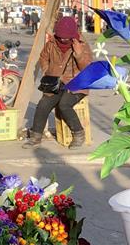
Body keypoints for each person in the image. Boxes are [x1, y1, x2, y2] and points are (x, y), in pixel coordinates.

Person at [24, 16, 92, 149]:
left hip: (76, 83)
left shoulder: (81, 45)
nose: (62, 40)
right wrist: (47, 71)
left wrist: (79, 54)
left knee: (64, 105)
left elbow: (87, 68)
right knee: (43, 105)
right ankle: (36, 136)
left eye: (66, 37)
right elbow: (43, 57)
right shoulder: (52, 43)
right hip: (56, 82)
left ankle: (79, 134)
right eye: (60, 36)